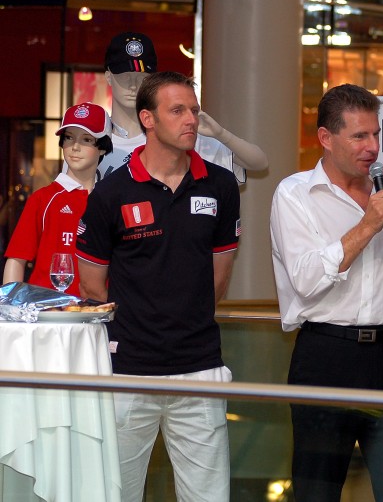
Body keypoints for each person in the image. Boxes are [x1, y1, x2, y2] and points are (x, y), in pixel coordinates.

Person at [76, 71, 241, 501]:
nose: (191, 119)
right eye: (178, 110)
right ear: (147, 119)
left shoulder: (221, 185)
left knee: (209, 497)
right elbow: (92, 286)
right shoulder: (110, 192)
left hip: (200, 368)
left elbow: (219, 277)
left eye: (194, 110)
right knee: (117, 494)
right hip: (127, 370)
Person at [270, 83, 383, 502]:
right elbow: (306, 280)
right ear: (326, 138)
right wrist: (367, 224)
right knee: (317, 492)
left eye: (376, 134)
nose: (372, 147)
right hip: (327, 356)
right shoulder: (295, 194)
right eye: (360, 136)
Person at [95, 31, 268, 182]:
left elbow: (259, 162)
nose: (133, 85)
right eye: (125, 77)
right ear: (109, 77)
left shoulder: (181, 135)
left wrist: (220, 134)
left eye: (142, 77)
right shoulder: (92, 138)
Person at [3, 102, 112, 295]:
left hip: (97, 308)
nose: (75, 147)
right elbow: (16, 259)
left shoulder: (111, 201)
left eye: (87, 140)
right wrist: (9, 305)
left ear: (102, 148)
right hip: (46, 308)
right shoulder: (43, 199)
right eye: (69, 137)